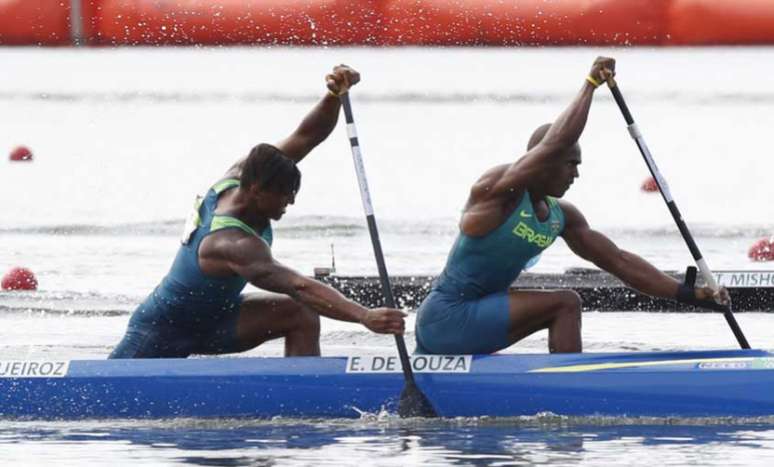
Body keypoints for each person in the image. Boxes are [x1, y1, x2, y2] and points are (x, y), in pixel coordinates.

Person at [414, 56, 728, 355]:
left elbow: (620, 262)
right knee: (565, 303)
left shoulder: (562, 216)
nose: (575, 175)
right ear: (541, 163)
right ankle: (568, 396)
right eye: (569, 164)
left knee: (563, 303)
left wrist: (690, 294)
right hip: (446, 316)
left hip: (476, 317)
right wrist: (590, 84)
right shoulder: (497, 190)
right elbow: (555, 143)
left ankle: (558, 385)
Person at [110, 65, 406, 359]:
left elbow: (306, 136)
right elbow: (298, 285)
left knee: (299, 314)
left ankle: (302, 395)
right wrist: (364, 316)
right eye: (285, 197)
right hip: (161, 331)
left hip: (216, 321)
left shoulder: (248, 173)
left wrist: (334, 95)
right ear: (257, 190)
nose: (289, 204)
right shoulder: (233, 243)